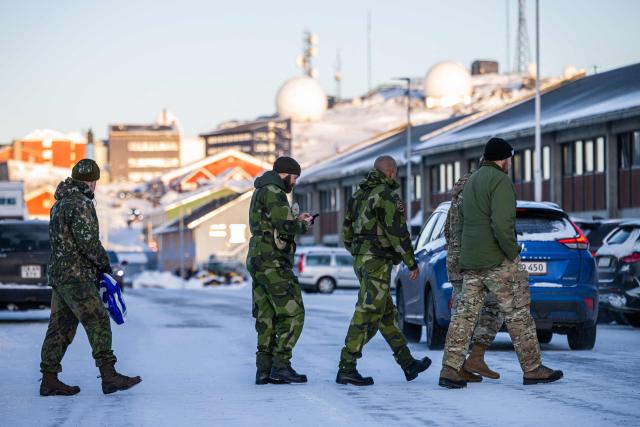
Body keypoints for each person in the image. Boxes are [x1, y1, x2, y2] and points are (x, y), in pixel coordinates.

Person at [438, 138, 563, 388]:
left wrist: (466, 256)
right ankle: (533, 369)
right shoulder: (500, 181)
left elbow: (458, 225)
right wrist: (512, 251)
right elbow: (502, 223)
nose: (509, 163)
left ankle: (450, 370)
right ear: (504, 159)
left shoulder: (469, 182)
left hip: (471, 261)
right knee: (518, 314)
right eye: (510, 159)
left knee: (463, 317)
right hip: (497, 260)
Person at [39, 159, 141, 396]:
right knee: (98, 320)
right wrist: (104, 266)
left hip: (60, 275)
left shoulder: (60, 203)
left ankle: (49, 379)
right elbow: (88, 242)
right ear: (92, 181)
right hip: (77, 276)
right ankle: (109, 376)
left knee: (60, 327)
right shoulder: (80, 203)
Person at [336, 155, 431, 386]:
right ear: (389, 172)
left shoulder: (358, 195)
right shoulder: (386, 196)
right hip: (377, 260)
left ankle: (408, 364)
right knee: (367, 312)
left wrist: (359, 252)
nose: (395, 176)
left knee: (387, 315)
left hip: (361, 258)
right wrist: (411, 262)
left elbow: (346, 231)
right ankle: (346, 366)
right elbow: (397, 231)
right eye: (395, 172)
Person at [247, 156, 314, 384]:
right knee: (294, 312)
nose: (294, 182)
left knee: (267, 315)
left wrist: (294, 217)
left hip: (259, 258)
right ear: (284, 173)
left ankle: (264, 370)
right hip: (272, 261)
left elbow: (274, 221)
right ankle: (281, 366)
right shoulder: (274, 191)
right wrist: (302, 224)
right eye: (294, 177)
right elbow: (283, 225)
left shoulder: (262, 190)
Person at [444, 166, 504, 381]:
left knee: (467, 313)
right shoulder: (480, 191)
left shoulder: (459, 192)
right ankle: (458, 366)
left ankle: (469, 361)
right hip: (473, 261)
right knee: (476, 312)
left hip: (458, 261)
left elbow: (447, 230)